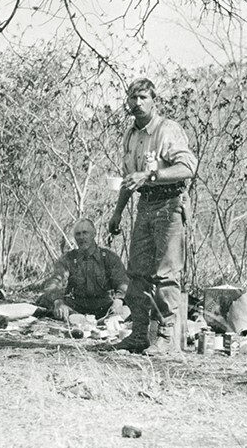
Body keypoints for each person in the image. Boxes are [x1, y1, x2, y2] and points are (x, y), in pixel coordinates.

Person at [107, 78, 197, 354]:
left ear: (153, 100)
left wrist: (152, 174)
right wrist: (118, 212)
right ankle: (139, 334)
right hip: (144, 205)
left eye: (143, 97)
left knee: (167, 273)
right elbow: (127, 178)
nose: (137, 103)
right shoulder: (131, 135)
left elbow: (187, 167)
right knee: (138, 272)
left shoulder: (167, 130)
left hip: (170, 204)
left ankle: (168, 336)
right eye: (132, 98)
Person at [37, 218, 128, 322]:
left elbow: (122, 282)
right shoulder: (68, 258)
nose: (81, 237)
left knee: (131, 306)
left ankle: (107, 319)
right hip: (76, 306)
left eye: (85, 233)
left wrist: (118, 301)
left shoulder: (109, 257)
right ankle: (75, 317)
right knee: (46, 299)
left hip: (105, 306)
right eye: (78, 234)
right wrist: (58, 301)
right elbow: (54, 282)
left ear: (94, 234)